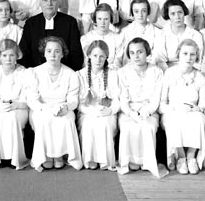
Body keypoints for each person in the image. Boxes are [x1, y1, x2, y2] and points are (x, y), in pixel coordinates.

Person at [26, 36, 83, 171]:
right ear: (44, 53)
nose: (53, 55)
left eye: (57, 51)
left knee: (66, 120)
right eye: (49, 51)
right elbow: (32, 100)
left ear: (62, 54)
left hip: (63, 108)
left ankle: (59, 155)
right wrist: (45, 108)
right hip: (41, 108)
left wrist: (66, 108)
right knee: (45, 119)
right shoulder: (34, 72)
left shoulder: (71, 74)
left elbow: (73, 99)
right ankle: (45, 155)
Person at [116, 37, 167, 178]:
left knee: (148, 127)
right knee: (128, 127)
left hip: (149, 110)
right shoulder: (123, 72)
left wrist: (146, 112)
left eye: (140, 52)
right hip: (129, 110)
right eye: (132, 53)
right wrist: (131, 113)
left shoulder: (157, 71)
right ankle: (131, 160)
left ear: (147, 52)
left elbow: (156, 98)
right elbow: (123, 98)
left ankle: (146, 161)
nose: (136, 56)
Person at [160, 39, 205, 175]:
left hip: (192, 111)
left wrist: (197, 109)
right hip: (173, 111)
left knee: (199, 118)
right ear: (178, 54)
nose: (189, 57)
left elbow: (203, 103)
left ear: (197, 56)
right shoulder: (169, 73)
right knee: (174, 119)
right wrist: (173, 109)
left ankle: (191, 156)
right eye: (185, 53)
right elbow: (162, 102)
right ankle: (181, 157)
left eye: (192, 54)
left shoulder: (200, 76)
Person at [0, 39, 30, 170]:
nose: (8, 59)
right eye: (4, 55)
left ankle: (14, 158)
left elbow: (25, 98)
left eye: (11, 55)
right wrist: (1, 106)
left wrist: (15, 105)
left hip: (19, 108)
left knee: (12, 118)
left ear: (17, 56)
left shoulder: (24, 72)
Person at [77, 40, 120, 170]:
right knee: (89, 124)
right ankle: (90, 159)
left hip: (107, 111)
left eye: (102, 56)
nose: (98, 59)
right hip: (88, 111)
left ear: (107, 57)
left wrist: (110, 110)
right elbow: (79, 104)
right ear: (89, 55)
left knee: (105, 124)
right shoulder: (80, 75)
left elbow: (117, 99)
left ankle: (104, 160)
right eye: (95, 55)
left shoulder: (113, 74)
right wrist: (92, 112)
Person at [19, 0, 84, 70]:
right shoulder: (31, 23)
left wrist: (69, 73)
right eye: (45, 0)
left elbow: (76, 54)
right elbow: (23, 52)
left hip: (63, 71)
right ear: (39, 2)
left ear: (58, 2)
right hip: (35, 72)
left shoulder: (70, 22)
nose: (49, 3)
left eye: (53, 0)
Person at [154, 0, 204, 70]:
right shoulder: (161, 35)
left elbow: (197, 61)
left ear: (184, 13)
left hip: (191, 72)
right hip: (168, 72)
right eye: (173, 14)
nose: (177, 17)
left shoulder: (196, 35)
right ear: (168, 15)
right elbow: (160, 62)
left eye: (180, 12)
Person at [80, 4, 123, 69]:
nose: (102, 22)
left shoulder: (118, 39)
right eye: (99, 19)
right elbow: (86, 63)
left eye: (106, 19)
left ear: (110, 19)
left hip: (112, 72)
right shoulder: (86, 39)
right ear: (95, 19)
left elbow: (118, 63)